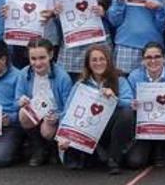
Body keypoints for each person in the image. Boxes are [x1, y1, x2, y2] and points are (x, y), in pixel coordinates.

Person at [54, 44, 133, 174]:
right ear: (88, 64)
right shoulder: (81, 84)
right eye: (94, 60)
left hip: (111, 129)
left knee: (126, 113)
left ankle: (114, 160)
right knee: (74, 163)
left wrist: (114, 98)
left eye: (102, 59)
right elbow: (67, 112)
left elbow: (130, 103)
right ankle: (96, 154)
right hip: (88, 129)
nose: (98, 63)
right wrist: (62, 136)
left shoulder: (120, 80)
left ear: (108, 61)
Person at [120, 42, 165, 169]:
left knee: (163, 161)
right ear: (143, 61)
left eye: (157, 57)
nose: (153, 61)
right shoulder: (134, 76)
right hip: (143, 127)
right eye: (148, 57)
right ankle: (149, 147)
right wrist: (131, 104)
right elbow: (127, 102)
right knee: (135, 162)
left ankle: (159, 148)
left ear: (164, 59)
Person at [14, 38, 72, 166]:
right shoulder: (24, 74)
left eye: (42, 58)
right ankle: (38, 147)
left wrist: (57, 117)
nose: (38, 63)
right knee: (22, 114)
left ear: (50, 55)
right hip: (34, 112)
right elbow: (16, 100)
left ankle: (52, 148)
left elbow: (69, 108)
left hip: (53, 116)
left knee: (47, 130)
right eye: (33, 59)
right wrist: (21, 101)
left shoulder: (63, 77)